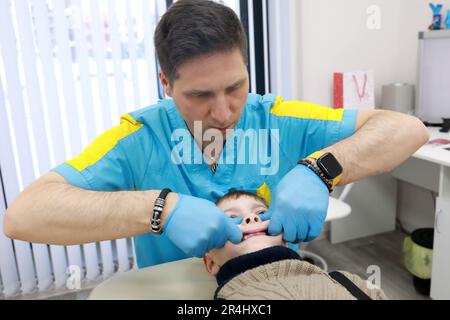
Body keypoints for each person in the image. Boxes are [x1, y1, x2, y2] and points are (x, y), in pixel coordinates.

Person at [4, 0, 429, 269]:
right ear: (166, 84)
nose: (224, 112)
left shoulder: (277, 116)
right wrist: (160, 209)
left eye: (235, 86)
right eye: (200, 95)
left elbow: (404, 129)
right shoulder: (138, 137)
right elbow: (24, 215)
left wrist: (321, 169)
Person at [203, 190, 387, 300]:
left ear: (286, 236)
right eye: (231, 218)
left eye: (261, 212)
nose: (251, 218)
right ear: (210, 262)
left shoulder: (348, 282)